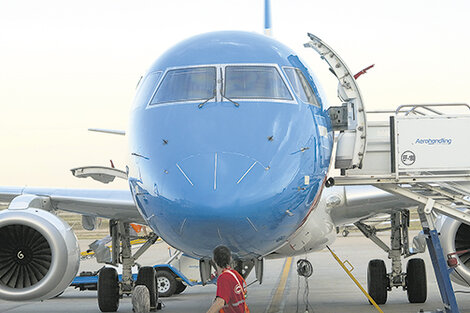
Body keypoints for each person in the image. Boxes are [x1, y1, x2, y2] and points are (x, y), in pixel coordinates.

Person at [206, 246, 250, 313]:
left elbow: (220, 303)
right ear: (230, 258)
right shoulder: (235, 274)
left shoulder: (223, 278)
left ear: (213, 259)